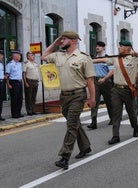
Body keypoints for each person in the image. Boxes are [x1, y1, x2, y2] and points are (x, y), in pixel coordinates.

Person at [41, 31, 96, 170]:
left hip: (78, 95)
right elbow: (43, 56)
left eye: (64, 39)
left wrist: (92, 98)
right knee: (75, 123)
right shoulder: (58, 55)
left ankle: (64, 157)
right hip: (64, 96)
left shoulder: (84, 58)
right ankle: (86, 147)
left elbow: (90, 80)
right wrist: (56, 42)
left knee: (71, 124)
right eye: (61, 39)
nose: (61, 41)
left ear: (73, 40)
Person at [95, 40, 138, 144]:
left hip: (128, 90)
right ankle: (115, 136)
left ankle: (135, 128)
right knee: (116, 113)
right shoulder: (117, 58)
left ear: (127, 48)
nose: (118, 48)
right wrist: (90, 61)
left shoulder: (135, 59)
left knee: (131, 112)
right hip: (116, 89)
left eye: (121, 46)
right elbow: (103, 60)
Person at [87, 41, 113, 129]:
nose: (97, 47)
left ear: (103, 48)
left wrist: (104, 79)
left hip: (105, 81)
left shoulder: (107, 58)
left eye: (100, 46)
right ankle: (93, 121)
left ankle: (113, 118)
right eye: (97, 46)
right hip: (95, 80)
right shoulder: (92, 58)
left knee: (109, 101)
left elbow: (111, 71)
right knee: (94, 100)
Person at [5, 50, 24, 118]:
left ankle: (18, 112)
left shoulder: (19, 64)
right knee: (14, 98)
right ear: (14, 56)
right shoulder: (10, 64)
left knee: (20, 98)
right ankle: (14, 114)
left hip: (19, 82)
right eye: (18, 56)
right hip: (13, 82)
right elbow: (7, 75)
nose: (19, 57)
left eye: (20, 56)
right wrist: (8, 84)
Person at [22, 51, 40, 115]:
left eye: (32, 55)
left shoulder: (35, 63)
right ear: (27, 57)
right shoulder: (26, 63)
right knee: (28, 97)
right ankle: (29, 111)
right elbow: (24, 73)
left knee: (33, 97)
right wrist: (25, 82)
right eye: (30, 55)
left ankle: (33, 110)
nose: (32, 56)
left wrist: (37, 81)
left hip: (35, 81)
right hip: (29, 81)